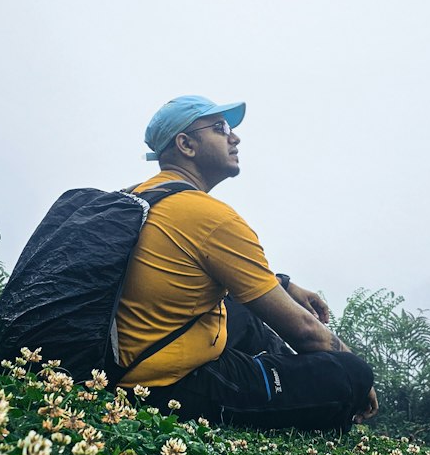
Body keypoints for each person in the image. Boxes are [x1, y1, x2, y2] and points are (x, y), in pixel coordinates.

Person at [115, 94, 378, 431]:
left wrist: (283, 284)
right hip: (167, 386)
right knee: (349, 373)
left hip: (118, 360)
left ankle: (281, 374)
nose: (234, 137)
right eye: (220, 127)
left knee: (241, 312)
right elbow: (306, 332)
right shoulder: (211, 217)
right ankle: (303, 392)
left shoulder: (138, 197)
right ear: (186, 144)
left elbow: (216, 269)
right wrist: (358, 374)